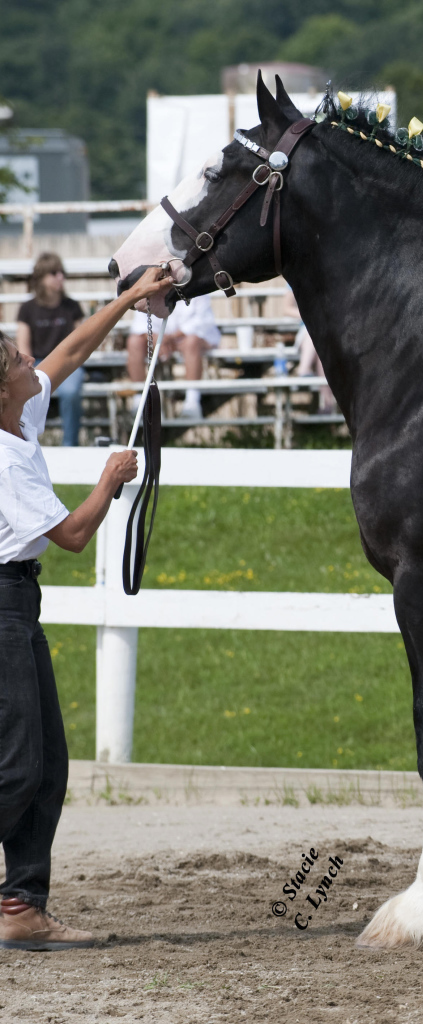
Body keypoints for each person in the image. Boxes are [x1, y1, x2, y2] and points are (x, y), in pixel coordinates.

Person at [0, 265, 169, 951]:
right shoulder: (4, 459)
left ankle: (20, 906)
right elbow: (71, 536)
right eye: (17, 360)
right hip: (3, 606)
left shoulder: (18, 415)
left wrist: (129, 299)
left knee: (47, 765)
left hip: (18, 603)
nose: (29, 362)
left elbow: (68, 351)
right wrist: (107, 482)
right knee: (19, 766)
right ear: (2, 388)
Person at [16, 253, 85, 447]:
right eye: (54, 273)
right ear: (41, 277)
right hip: (36, 362)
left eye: (62, 272)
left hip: (67, 363)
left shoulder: (72, 306)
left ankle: (70, 445)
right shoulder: (27, 308)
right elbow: (24, 348)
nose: (60, 277)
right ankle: (27, 444)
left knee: (71, 392)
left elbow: (81, 342)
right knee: (24, 392)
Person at [126, 293, 220, 419]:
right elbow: (140, 324)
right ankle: (139, 400)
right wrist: (157, 338)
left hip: (190, 339)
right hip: (160, 339)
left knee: (192, 342)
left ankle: (192, 402)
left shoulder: (196, 288)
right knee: (134, 342)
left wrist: (168, 338)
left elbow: (201, 322)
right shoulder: (149, 289)